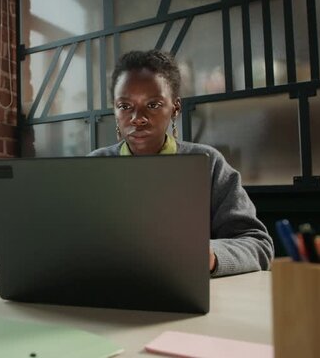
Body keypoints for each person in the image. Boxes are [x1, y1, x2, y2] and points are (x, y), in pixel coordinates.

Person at [89, 50, 273, 277]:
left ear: (175, 108)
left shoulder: (208, 164)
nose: (137, 117)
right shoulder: (94, 167)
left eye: (153, 104)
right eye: (125, 106)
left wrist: (212, 256)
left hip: (195, 303)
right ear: (114, 110)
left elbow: (259, 244)